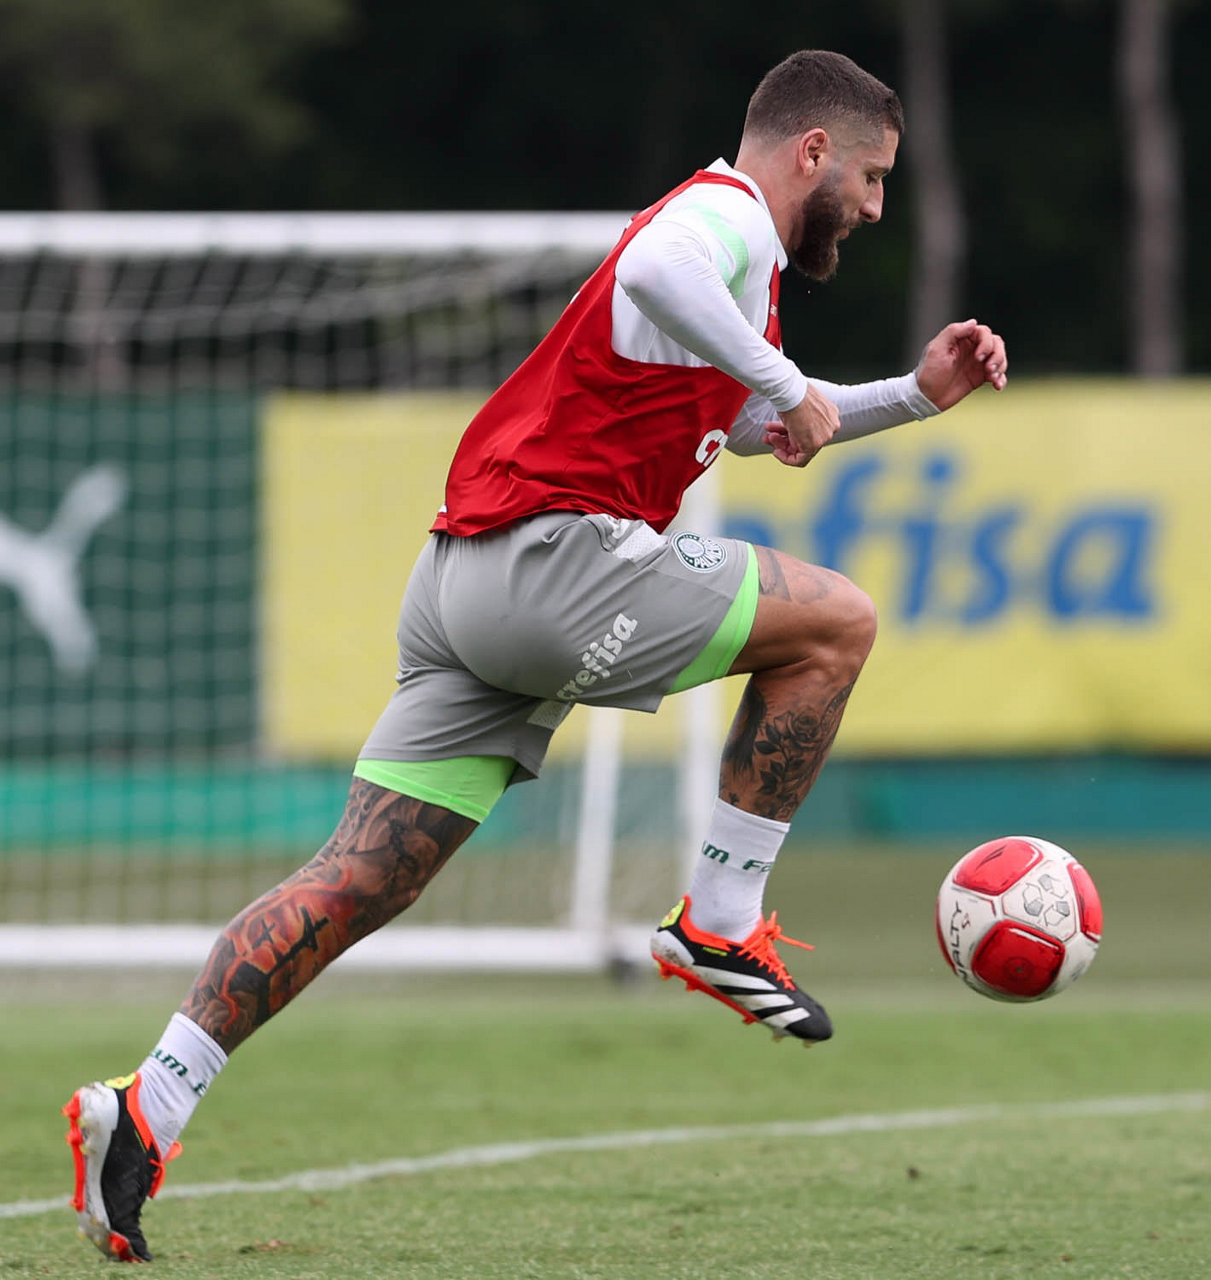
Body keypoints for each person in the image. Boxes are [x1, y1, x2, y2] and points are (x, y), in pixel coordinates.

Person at [61, 49, 1007, 1262]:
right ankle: (717, 921)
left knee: (358, 876)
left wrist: (911, 396)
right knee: (838, 621)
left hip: (462, 580)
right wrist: (779, 378)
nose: (874, 207)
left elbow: (764, 422)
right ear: (811, 151)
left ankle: (147, 1103)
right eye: (871, 178)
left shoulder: (732, 270)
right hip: (552, 565)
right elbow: (668, 278)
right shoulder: (722, 217)